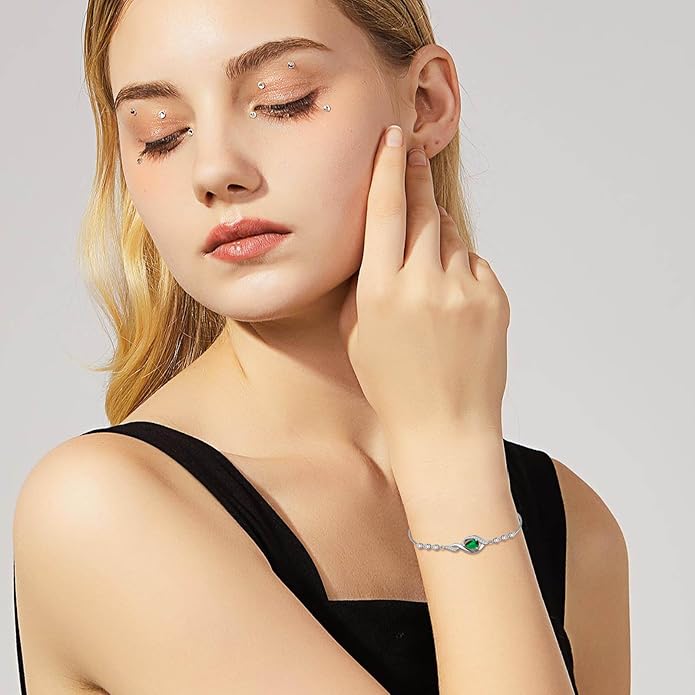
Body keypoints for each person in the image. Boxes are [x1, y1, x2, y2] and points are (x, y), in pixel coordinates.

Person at [12, 0, 630, 693]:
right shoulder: (101, 509)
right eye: (161, 132)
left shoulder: (571, 523)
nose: (214, 170)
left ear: (426, 103)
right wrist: (451, 454)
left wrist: (453, 451)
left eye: (283, 99)